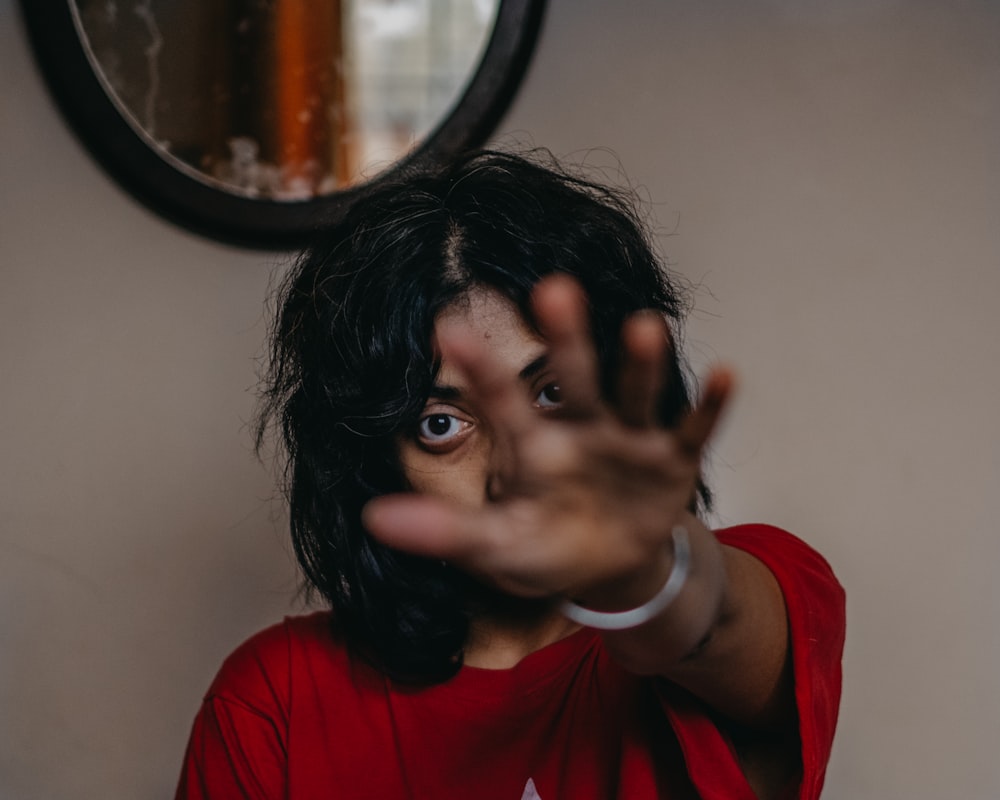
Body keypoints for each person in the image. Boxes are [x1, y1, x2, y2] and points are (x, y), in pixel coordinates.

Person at [175, 150, 844, 800]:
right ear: (378, 459)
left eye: (551, 392)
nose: (515, 468)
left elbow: (711, 621)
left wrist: (637, 573)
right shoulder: (274, 703)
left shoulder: (765, 589)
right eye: (440, 423)